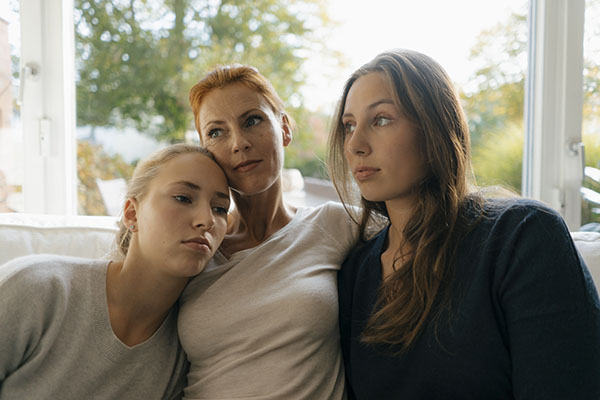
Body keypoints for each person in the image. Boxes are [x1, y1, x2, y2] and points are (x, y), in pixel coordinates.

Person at [329, 49, 600, 399]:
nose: (355, 144)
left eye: (381, 119)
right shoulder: (355, 273)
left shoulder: (523, 236)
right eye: (349, 126)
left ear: (434, 127)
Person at [180, 64, 357, 399]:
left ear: (284, 128)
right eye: (217, 132)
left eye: (252, 120)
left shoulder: (333, 225)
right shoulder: (195, 244)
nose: (239, 143)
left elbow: (424, 224)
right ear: (204, 149)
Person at [0, 143, 230, 400]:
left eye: (220, 208)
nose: (207, 220)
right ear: (132, 213)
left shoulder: (190, 350)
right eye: (183, 198)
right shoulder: (35, 289)